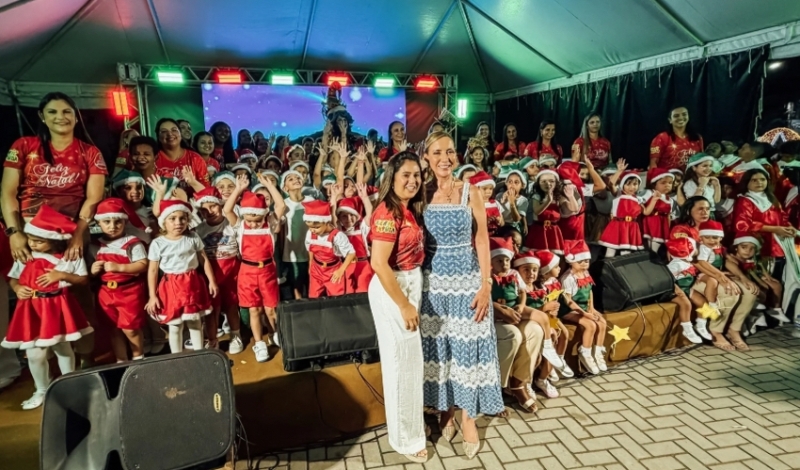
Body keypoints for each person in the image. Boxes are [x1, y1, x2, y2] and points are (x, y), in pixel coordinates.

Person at [2, 91, 106, 368]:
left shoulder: (89, 152)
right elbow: (8, 192)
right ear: (41, 117)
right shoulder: (24, 145)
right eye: (53, 112)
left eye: (66, 111)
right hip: (29, 232)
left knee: (79, 291)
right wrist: (15, 233)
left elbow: (93, 197)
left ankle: (85, 356)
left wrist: (77, 237)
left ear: (76, 116)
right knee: (32, 290)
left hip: (73, 228)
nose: (60, 117)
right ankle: (41, 358)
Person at [419, 131, 503, 459]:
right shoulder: (420, 192)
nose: (444, 158)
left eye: (450, 151)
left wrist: (486, 284)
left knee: (469, 349)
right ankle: (445, 410)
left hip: (468, 280)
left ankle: (469, 417)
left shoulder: (470, 191)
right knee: (442, 352)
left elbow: (482, 240)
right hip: (432, 284)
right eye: (437, 152)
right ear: (426, 157)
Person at [367, 151, 429, 463]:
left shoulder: (408, 209)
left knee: (410, 362)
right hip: (394, 289)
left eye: (417, 175)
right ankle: (406, 439)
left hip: (408, 284)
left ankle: (411, 427)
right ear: (392, 177)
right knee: (402, 365)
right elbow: (378, 263)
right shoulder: (387, 213)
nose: (412, 180)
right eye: (406, 174)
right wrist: (404, 305)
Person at [1, 205, 92, 410]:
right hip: (31, 311)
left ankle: (69, 384)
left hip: (58, 309)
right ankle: (41, 388)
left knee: (64, 348)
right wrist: (17, 288)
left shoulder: (69, 257)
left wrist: (61, 275)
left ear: (53, 240)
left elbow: (83, 280)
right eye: (30, 238)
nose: (31, 243)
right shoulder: (27, 256)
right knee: (35, 354)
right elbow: (13, 278)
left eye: (38, 241)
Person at [670, 197, 757, 351]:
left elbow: (724, 257)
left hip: (713, 274)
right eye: (700, 208)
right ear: (689, 210)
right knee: (730, 292)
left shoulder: (712, 228)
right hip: (692, 276)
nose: (705, 212)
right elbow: (695, 261)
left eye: (707, 208)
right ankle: (715, 331)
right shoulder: (681, 230)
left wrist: (743, 278)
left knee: (749, 292)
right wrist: (721, 277)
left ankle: (734, 329)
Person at [223, 179, 285, 362]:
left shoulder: (270, 223)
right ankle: (259, 343)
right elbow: (227, 210)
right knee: (254, 310)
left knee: (271, 309)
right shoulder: (241, 225)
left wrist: (270, 186)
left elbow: (280, 205)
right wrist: (240, 189)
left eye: (257, 220)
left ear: (264, 215)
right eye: (250, 220)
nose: (253, 224)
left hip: (267, 271)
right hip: (247, 272)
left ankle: (274, 334)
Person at [145, 200, 217, 354]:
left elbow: (203, 259)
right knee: (175, 325)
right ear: (164, 222)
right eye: (172, 218)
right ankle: (176, 357)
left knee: (195, 321)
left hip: (192, 284)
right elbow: (152, 271)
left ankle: (199, 354)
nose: (178, 222)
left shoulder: (192, 237)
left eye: (182, 218)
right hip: (171, 287)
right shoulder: (158, 243)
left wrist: (211, 281)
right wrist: (152, 296)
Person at [89, 198, 148, 362]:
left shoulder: (132, 243)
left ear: (124, 222)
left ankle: (138, 358)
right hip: (106, 293)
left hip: (129, 292)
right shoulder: (95, 245)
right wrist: (93, 271)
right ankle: (121, 360)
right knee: (113, 329)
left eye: (117, 222)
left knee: (131, 329)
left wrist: (120, 268)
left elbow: (143, 264)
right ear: (99, 223)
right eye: (106, 221)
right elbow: (89, 271)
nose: (112, 226)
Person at [194, 186, 244, 354]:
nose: (209, 211)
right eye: (204, 209)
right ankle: (213, 339)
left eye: (213, 206)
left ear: (221, 204)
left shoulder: (231, 223)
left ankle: (235, 335)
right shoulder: (199, 230)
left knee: (231, 306)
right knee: (211, 310)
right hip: (211, 273)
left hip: (232, 271)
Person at [731, 166, 793, 280]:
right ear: (747, 182)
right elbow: (742, 224)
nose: (759, 182)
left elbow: (782, 216)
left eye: (762, 179)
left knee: (779, 276)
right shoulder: (745, 200)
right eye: (754, 180)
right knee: (767, 279)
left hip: (779, 244)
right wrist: (774, 229)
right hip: (761, 245)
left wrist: (789, 227)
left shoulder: (770, 197)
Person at [558, 240, 607, 375]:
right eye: (581, 261)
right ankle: (584, 352)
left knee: (602, 323)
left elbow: (589, 291)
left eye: (587, 261)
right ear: (571, 262)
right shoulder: (568, 278)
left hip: (584, 308)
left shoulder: (585, 273)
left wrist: (592, 308)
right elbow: (568, 301)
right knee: (590, 325)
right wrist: (585, 314)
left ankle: (597, 352)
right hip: (569, 310)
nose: (585, 264)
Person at [303, 199, 356, 298]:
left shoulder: (337, 236)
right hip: (316, 269)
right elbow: (310, 248)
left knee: (335, 298)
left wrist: (341, 270)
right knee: (314, 297)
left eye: (317, 227)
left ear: (326, 222)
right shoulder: (310, 233)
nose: (312, 230)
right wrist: (310, 263)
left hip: (333, 270)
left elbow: (351, 253)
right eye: (310, 227)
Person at [154, 118, 210, 194]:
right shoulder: (153, 159)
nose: (170, 134)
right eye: (164, 131)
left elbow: (207, 191)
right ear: (158, 136)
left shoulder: (195, 158)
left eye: (174, 130)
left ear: (180, 134)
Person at [649, 106, 704, 170]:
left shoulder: (697, 138)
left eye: (684, 114)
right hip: (668, 178)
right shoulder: (661, 138)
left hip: (691, 178)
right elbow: (653, 164)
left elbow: (702, 161)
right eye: (676, 116)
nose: (680, 117)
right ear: (670, 120)